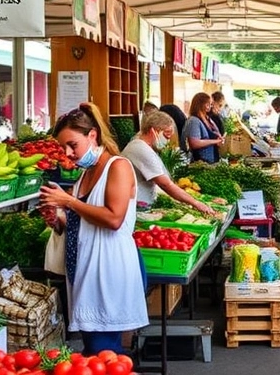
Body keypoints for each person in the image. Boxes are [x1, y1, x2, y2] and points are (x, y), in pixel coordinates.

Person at [38, 102, 149, 355]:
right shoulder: (84, 173)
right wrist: (58, 220)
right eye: (64, 147)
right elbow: (82, 221)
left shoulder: (118, 167)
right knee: (95, 351)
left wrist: (69, 202)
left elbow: (113, 219)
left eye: (73, 145)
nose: (68, 153)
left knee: (104, 352)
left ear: (92, 135)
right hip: (86, 271)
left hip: (108, 270)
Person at [122, 111, 216, 215]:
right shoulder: (141, 149)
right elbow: (165, 184)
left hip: (142, 205)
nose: (168, 140)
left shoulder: (144, 145)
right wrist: (196, 203)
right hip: (137, 207)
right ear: (153, 130)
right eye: (166, 134)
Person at [181, 92, 223, 163]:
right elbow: (194, 143)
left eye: (210, 104)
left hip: (212, 161)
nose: (210, 106)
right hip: (200, 162)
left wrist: (219, 139)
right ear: (200, 104)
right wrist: (215, 141)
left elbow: (216, 133)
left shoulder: (208, 118)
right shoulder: (194, 121)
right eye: (207, 104)